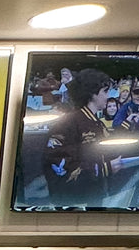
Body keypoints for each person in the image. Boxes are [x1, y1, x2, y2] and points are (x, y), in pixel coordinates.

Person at [43, 68, 118, 205]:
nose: (108, 96)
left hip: (94, 197)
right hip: (73, 203)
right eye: (105, 91)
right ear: (92, 94)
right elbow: (57, 162)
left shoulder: (96, 123)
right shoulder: (68, 123)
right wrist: (104, 168)